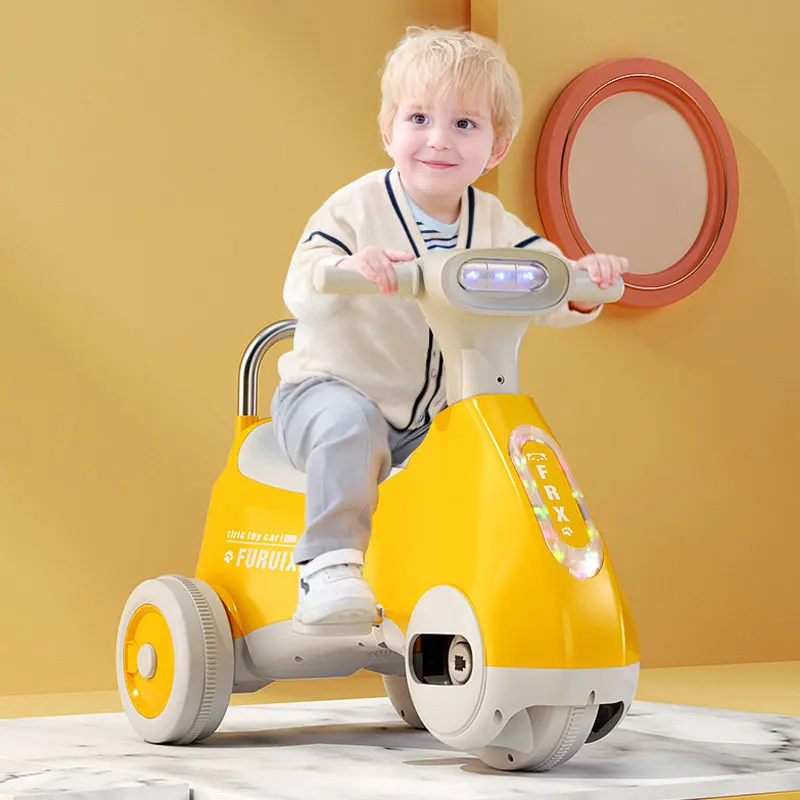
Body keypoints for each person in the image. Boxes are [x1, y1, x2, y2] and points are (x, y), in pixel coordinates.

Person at [271, 27, 628, 636]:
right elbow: (303, 282)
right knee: (349, 424)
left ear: (496, 147)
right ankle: (328, 566)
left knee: (487, 451)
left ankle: (477, 588)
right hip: (330, 392)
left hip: (432, 416)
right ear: (388, 131)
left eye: (464, 124)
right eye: (419, 118)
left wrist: (584, 281)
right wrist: (348, 268)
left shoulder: (493, 223)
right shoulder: (354, 208)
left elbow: (546, 282)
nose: (438, 139)